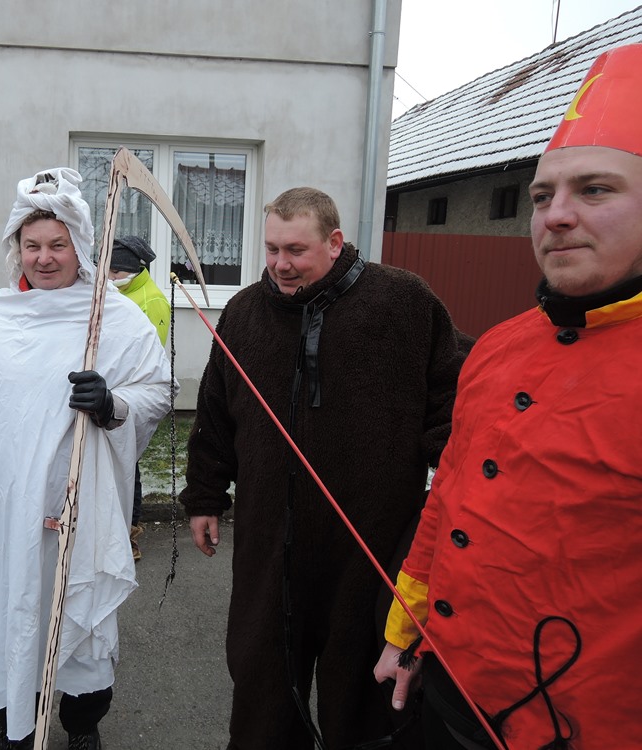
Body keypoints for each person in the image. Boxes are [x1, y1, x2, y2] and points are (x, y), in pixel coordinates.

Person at [374, 44, 642, 750]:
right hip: (449, 696)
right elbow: (447, 504)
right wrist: (406, 632)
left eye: (595, 190)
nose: (556, 216)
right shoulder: (497, 346)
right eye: (541, 196)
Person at [180, 186, 469, 748]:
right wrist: (205, 496)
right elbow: (215, 414)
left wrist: (454, 491)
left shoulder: (403, 302)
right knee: (262, 678)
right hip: (269, 538)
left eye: (296, 250)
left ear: (335, 242)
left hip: (371, 539)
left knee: (362, 688)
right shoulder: (243, 313)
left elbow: (453, 402)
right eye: (271, 250)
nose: (280, 264)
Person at [0, 167, 175, 750]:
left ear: (80, 246)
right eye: (32, 245)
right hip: (0, 510)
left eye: (58, 244)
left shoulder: (114, 317)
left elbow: (157, 392)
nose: (45, 258)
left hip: (76, 507)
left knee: (78, 619)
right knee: (7, 614)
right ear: (17, 249)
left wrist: (112, 402)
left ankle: (82, 729)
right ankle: (13, 726)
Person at [108, 235, 171, 561]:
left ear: (134, 270)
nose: (110, 278)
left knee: (127, 462)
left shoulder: (152, 300)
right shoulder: (113, 294)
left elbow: (147, 357)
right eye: (107, 271)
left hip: (130, 395)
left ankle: (130, 532)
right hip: (106, 391)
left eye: (116, 272)